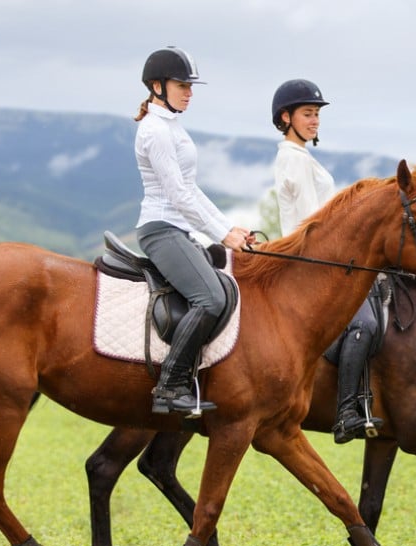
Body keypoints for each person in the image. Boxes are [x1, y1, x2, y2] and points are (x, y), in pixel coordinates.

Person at [134, 46, 254, 416]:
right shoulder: (155, 131)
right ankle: (170, 386)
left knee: (222, 291)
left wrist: (228, 227)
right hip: (161, 229)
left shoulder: (172, 126)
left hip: (178, 229)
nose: (189, 93)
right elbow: (178, 195)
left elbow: (192, 189)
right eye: (182, 85)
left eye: (190, 86)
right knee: (211, 299)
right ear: (157, 86)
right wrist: (221, 234)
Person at [271, 78, 383, 443]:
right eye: (307, 114)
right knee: (363, 323)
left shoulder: (303, 157)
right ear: (285, 117)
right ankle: (346, 411)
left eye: (317, 114)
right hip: (313, 265)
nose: (315, 120)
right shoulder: (293, 159)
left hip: (325, 262)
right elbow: (314, 224)